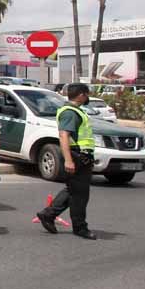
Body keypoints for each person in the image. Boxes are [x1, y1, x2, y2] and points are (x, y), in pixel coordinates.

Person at [35, 83, 98, 239]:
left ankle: (48, 214)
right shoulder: (70, 113)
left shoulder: (76, 111)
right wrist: (68, 160)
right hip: (77, 156)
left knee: (72, 191)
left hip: (81, 156)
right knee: (80, 196)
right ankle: (80, 228)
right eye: (87, 94)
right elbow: (64, 136)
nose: (88, 97)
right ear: (81, 95)